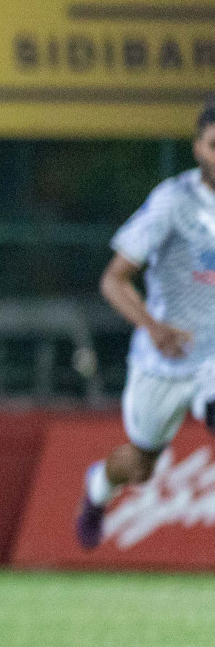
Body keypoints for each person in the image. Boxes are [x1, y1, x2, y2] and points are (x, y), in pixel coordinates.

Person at [77, 99, 215, 548]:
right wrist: (154, 327)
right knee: (140, 465)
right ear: (197, 148)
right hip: (165, 359)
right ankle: (98, 489)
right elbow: (113, 281)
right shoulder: (172, 203)